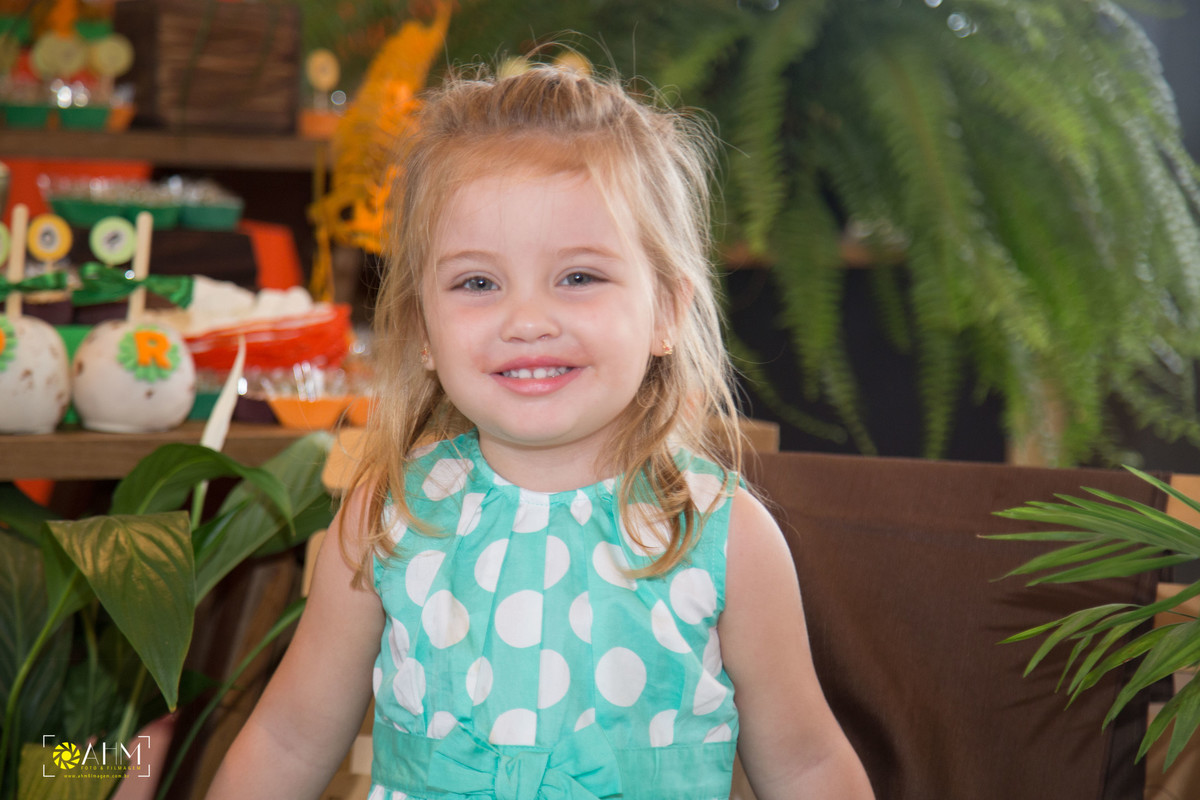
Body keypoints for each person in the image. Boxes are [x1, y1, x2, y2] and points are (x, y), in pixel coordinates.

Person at [206, 62, 874, 800]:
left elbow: (808, 766)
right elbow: (287, 741)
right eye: (477, 283)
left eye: (579, 277)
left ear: (666, 311)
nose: (526, 321)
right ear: (422, 327)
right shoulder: (387, 519)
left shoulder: (724, 538)